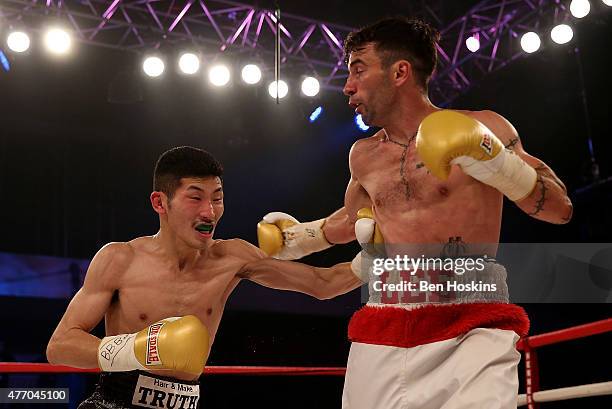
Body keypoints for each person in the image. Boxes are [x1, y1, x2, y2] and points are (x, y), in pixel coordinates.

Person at [257, 17, 573, 409]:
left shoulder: (482, 126)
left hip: (472, 320)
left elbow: (559, 209)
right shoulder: (364, 155)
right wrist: (298, 237)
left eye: (359, 70)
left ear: (400, 72)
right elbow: (350, 220)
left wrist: (498, 163)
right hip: (387, 318)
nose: (348, 86)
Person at [46, 146, 362, 409]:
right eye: (195, 198)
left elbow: (322, 285)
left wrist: (377, 260)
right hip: (115, 401)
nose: (209, 212)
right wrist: (136, 350)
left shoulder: (232, 258)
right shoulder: (120, 259)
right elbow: (60, 346)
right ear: (160, 203)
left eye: (218, 198)